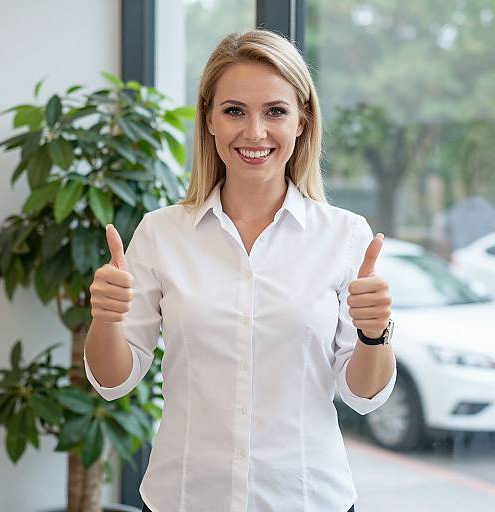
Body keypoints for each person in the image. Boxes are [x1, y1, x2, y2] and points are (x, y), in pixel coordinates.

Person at [84, 28, 397, 512]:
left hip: (308, 499)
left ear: (302, 121)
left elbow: (363, 397)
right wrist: (105, 320)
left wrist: (375, 335)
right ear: (209, 118)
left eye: (275, 111)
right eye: (234, 111)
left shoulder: (346, 236)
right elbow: (114, 381)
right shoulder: (161, 233)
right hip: (183, 498)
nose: (254, 132)